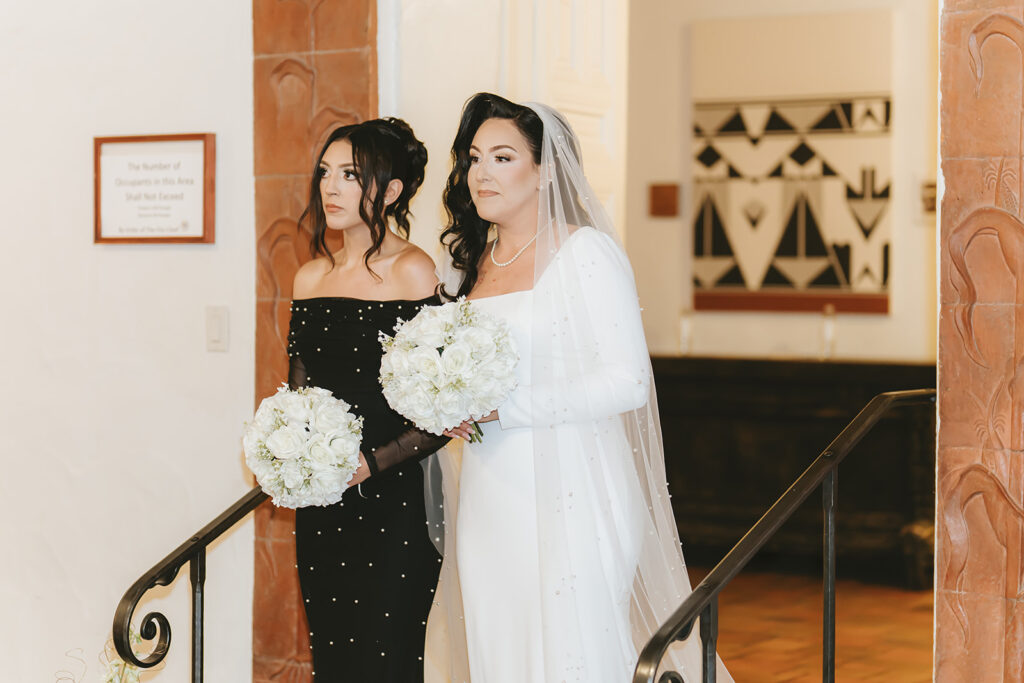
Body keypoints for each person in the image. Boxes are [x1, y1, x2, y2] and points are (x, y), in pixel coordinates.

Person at [425, 94, 731, 682]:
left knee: (572, 652)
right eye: (474, 158)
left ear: (545, 172)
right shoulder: (470, 262)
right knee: (499, 644)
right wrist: (443, 400)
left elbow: (628, 381)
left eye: (502, 157)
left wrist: (503, 409)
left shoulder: (584, 252)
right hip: (489, 489)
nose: (481, 173)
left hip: (576, 484)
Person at [286, 117, 448, 681]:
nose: (330, 187)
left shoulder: (413, 271)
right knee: (333, 660)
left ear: (392, 190)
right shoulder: (309, 278)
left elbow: (445, 408)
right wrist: (291, 454)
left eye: (350, 175)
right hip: (323, 503)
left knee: (388, 659)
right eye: (325, 172)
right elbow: (298, 396)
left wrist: (370, 464)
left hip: (394, 502)